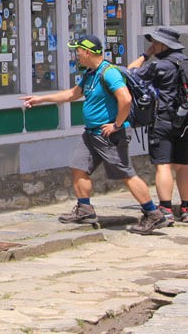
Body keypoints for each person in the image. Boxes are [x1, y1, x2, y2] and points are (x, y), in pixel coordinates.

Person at [20, 35, 169, 235]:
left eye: (78, 51)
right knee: (78, 167)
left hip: (109, 135)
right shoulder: (90, 73)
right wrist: (40, 99)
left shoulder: (109, 73)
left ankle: (153, 214)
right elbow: (72, 94)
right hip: (91, 134)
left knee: (125, 173)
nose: (76, 55)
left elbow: (125, 99)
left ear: (88, 52)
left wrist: (116, 125)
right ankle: (84, 209)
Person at [127, 27, 188, 223]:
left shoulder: (160, 66)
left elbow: (130, 73)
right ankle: (186, 209)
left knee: (163, 165)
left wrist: (145, 55)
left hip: (163, 120)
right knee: (183, 165)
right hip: (187, 122)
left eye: (155, 43)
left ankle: (165, 208)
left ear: (164, 44)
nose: (153, 46)